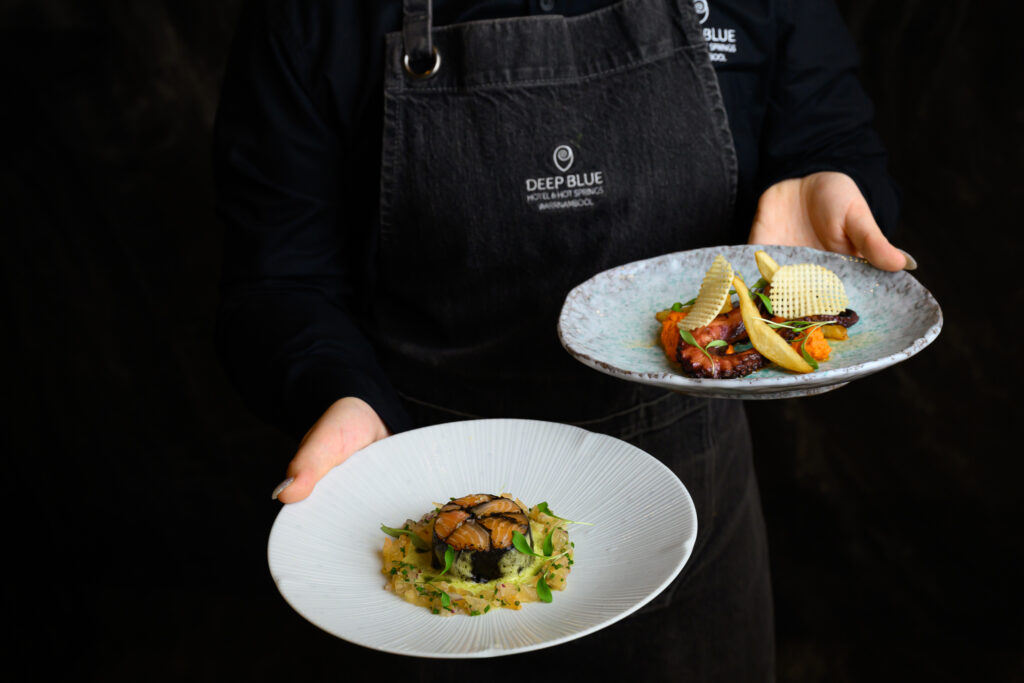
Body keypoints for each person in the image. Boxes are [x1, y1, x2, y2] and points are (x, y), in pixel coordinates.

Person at [213, 0, 911, 679]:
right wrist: (335, 386)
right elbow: (278, 274)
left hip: (691, 497)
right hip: (421, 492)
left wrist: (830, 184)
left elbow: (826, 126)